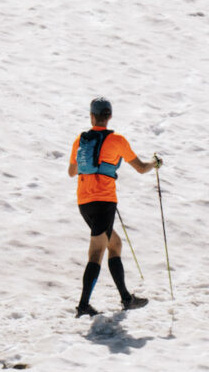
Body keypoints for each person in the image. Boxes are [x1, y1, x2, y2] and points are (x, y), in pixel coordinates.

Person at [68, 98, 161, 317]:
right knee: (97, 251)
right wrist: (155, 162)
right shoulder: (117, 140)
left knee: (115, 243)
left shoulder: (80, 140)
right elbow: (140, 167)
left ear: (92, 116)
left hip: (84, 202)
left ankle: (126, 298)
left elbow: (72, 172)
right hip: (104, 201)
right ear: (109, 116)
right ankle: (83, 306)